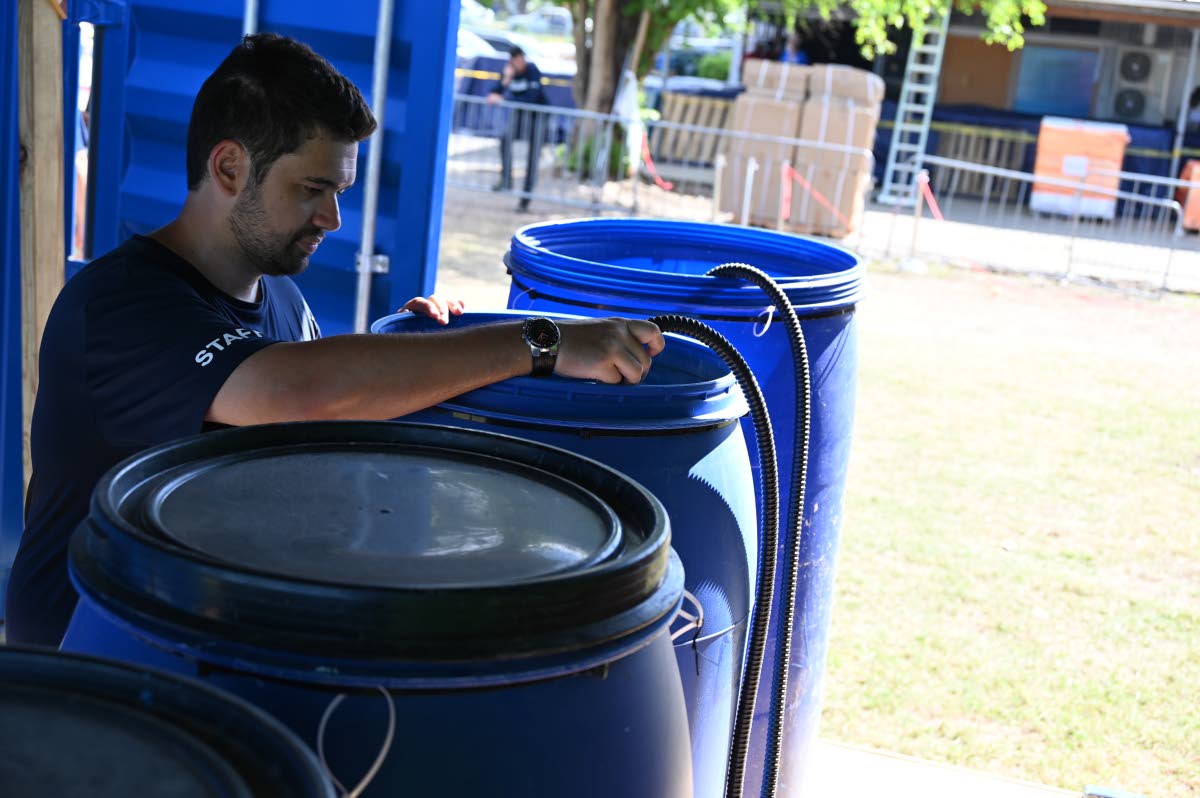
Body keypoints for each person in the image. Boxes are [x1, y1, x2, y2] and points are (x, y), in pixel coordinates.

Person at [4, 34, 664, 647]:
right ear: (231, 167)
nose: (334, 218)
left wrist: (422, 349)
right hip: (86, 670)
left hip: (205, 646)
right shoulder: (119, 305)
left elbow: (327, 409)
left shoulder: (283, 303)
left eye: (339, 190)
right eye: (313, 189)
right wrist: (535, 341)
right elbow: (303, 392)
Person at [487, 46, 548, 212]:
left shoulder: (532, 71)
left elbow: (532, 97)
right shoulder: (509, 71)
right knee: (505, 140)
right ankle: (506, 180)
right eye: (515, 60)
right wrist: (506, 80)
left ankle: (525, 201)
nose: (519, 63)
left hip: (537, 117)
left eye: (521, 59)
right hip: (520, 115)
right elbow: (493, 92)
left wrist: (505, 98)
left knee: (532, 159)